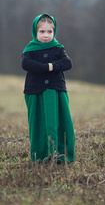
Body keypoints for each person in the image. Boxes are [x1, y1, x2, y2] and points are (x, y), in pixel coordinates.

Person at [21, 13, 76, 163]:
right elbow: (26, 64)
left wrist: (49, 67)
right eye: (42, 32)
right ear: (35, 32)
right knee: (38, 123)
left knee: (60, 121)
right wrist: (49, 67)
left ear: (54, 31)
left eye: (49, 32)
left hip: (56, 90)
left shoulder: (58, 48)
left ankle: (61, 155)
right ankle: (40, 156)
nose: (46, 35)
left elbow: (67, 63)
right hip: (35, 91)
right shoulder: (30, 49)